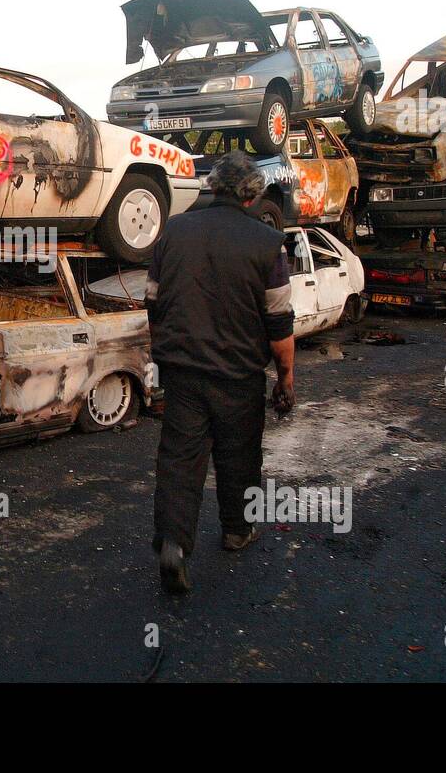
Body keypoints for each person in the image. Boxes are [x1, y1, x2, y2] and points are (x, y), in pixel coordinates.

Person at [145, 150, 296, 593]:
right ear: (253, 195)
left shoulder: (174, 231)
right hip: (239, 375)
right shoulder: (267, 243)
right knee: (239, 456)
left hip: (183, 371)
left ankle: (173, 544)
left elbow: (152, 300)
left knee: (180, 459)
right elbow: (279, 322)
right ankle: (237, 530)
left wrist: (165, 353)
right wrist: (285, 377)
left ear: (213, 187)